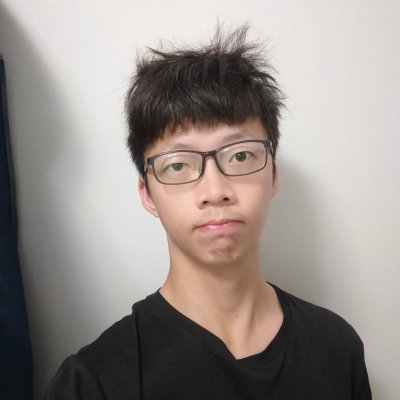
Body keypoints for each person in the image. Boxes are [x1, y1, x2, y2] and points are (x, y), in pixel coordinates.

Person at [44, 26, 372, 399]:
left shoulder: (336, 346)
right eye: (178, 165)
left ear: (273, 176)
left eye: (241, 155)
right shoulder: (93, 382)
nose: (215, 191)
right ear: (147, 194)